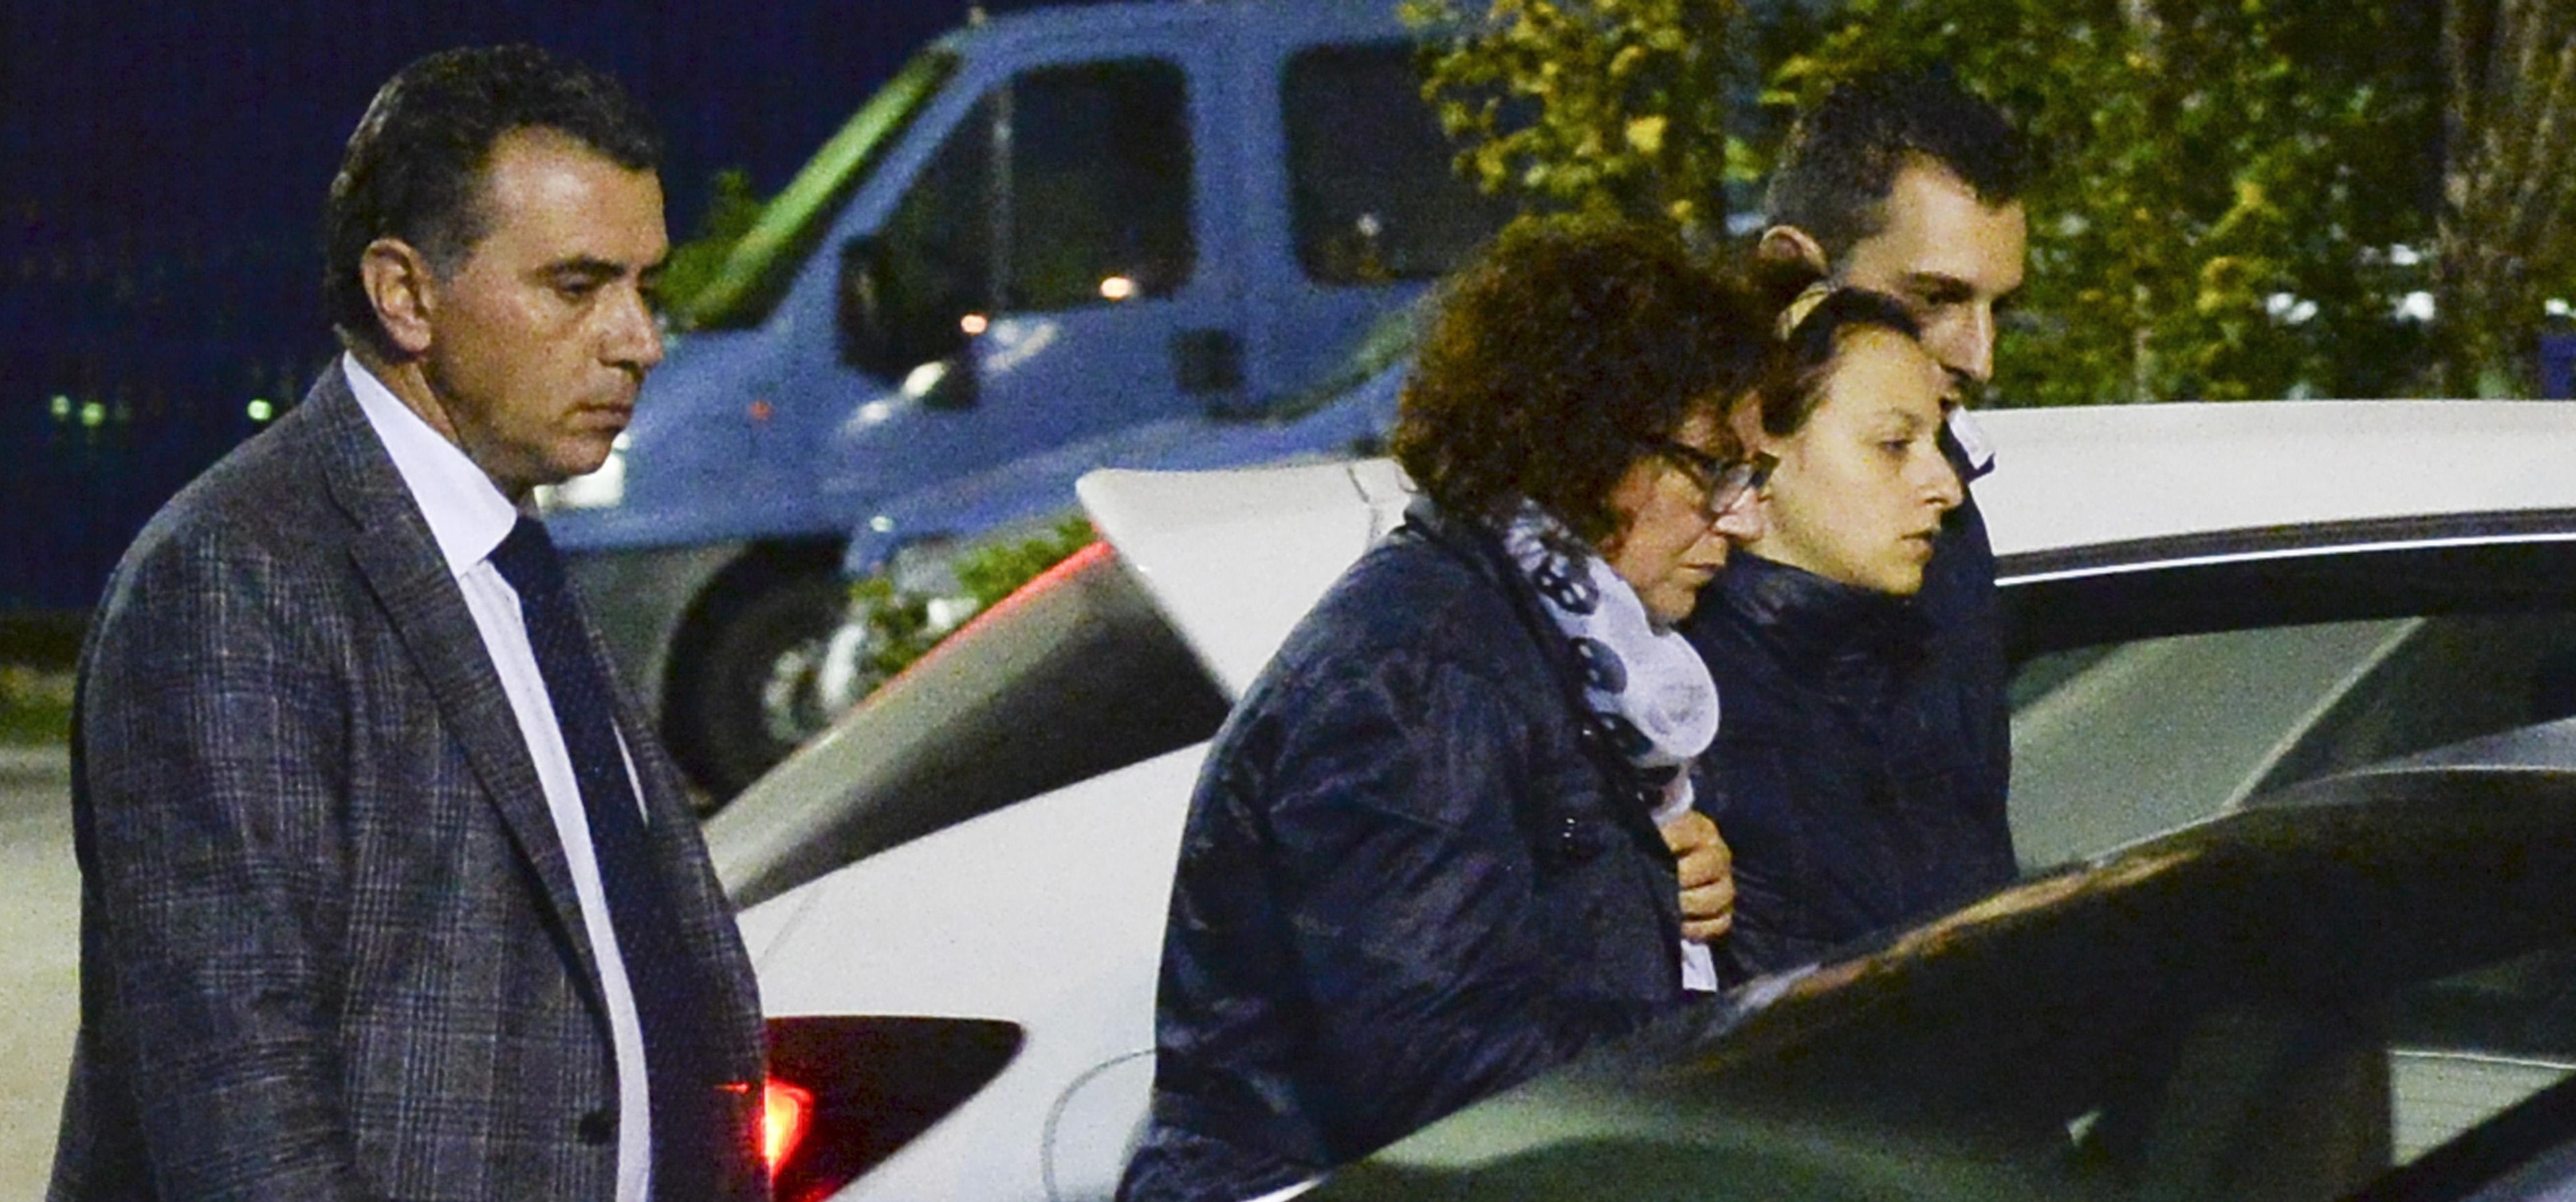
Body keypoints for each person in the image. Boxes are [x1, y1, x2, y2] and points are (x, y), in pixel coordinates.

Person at [51, 46, 766, 1200]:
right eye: (577, 286)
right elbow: (241, 1104)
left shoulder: (509, 557)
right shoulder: (234, 578)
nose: (637, 338)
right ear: (405, 295)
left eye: (646, 285)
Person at [1118, 215, 1777, 1202]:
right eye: (1712, 468)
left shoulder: (1536, 644)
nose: (1744, 515)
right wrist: (1733, 1065)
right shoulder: (1418, 675)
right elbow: (1441, 1075)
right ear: (1588, 441)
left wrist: (1651, 890)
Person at [1685, 68, 2033, 975]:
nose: (1980, 356)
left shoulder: (1944, 512)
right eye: (1936, 298)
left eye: (1999, 307)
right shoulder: (1650, 568)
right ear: (1793, 271)